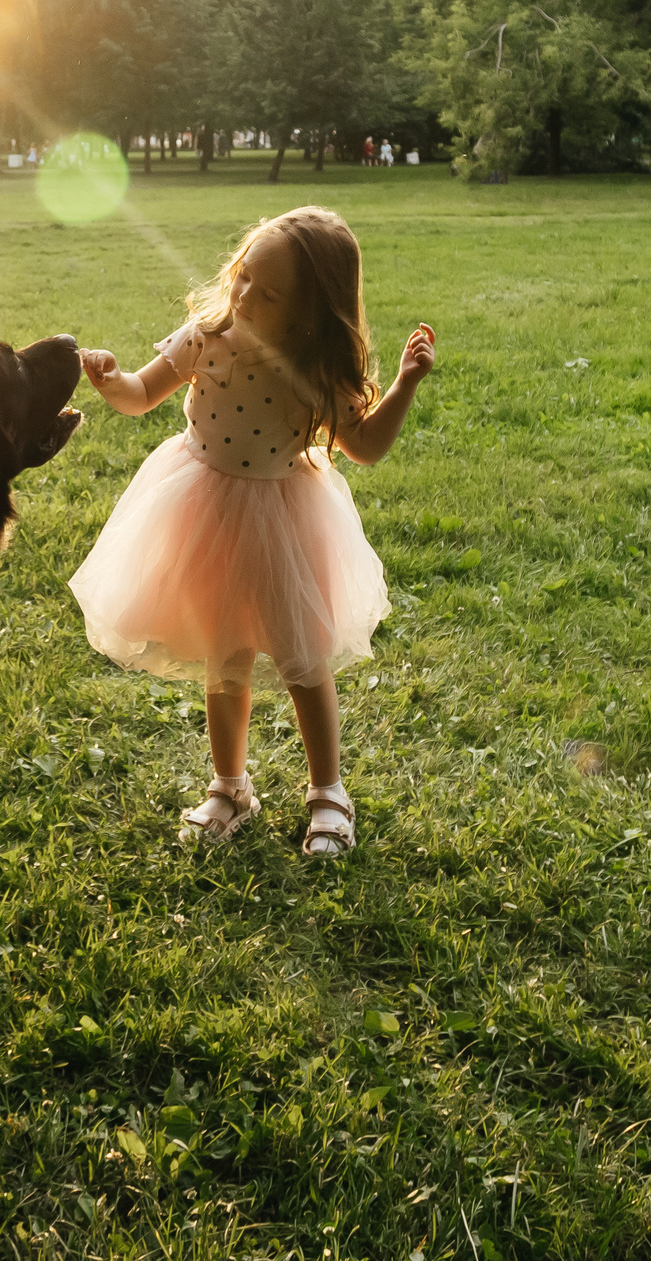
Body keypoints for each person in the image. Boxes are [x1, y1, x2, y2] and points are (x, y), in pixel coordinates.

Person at [68, 207, 437, 857]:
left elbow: (366, 446)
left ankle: (329, 793)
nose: (243, 296)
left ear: (310, 312)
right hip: (199, 507)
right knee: (225, 656)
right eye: (243, 277)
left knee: (302, 660)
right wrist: (109, 379)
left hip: (280, 520)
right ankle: (230, 787)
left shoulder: (315, 366)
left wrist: (404, 384)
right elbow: (139, 395)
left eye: (267, 294)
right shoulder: (206, 334)